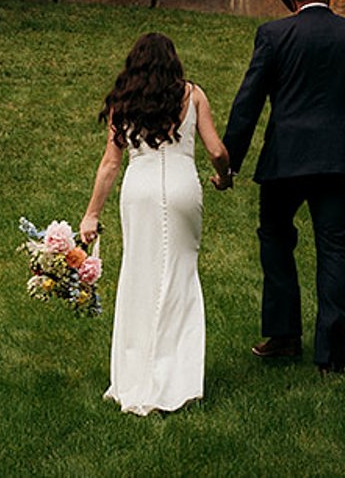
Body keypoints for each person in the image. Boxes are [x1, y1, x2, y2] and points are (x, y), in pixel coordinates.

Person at [221, 0, 345, 376]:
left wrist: (230, 162)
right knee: (336, 250)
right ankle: (332, 356)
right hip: (340, 163)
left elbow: (248, 102)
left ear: (293, 0)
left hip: (285, 162)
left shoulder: (273, 35)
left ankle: (283, 336)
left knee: (276, 241)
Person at [81, 31, 233, 415]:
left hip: (140, 190)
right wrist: (225, 175)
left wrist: (92, 214)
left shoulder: (123, 100)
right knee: (181, 277)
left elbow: (109, 163)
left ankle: (135, 376)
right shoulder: (193, 94)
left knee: (139, 277)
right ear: (173, 61)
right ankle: (176, 379)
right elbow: (216, 150)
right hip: (182, 188)